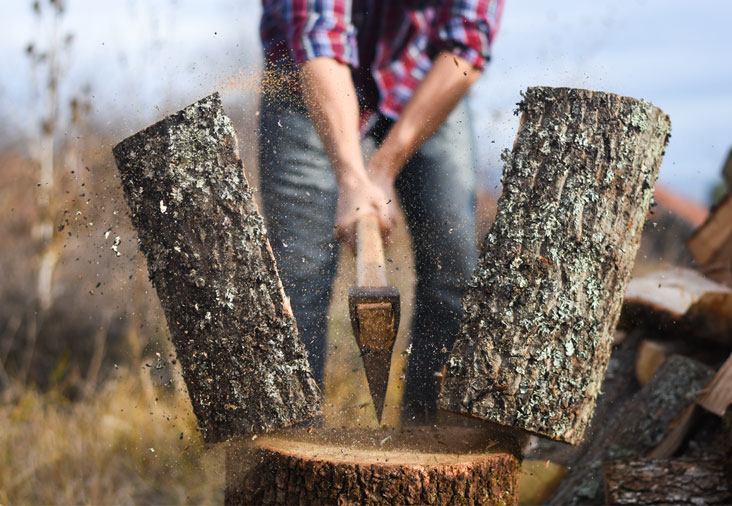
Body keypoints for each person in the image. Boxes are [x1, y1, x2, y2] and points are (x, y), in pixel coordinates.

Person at [258, 0, 504, 424]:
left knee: (456, 270)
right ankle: (286, 452)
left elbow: (468, 43)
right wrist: (353, 179)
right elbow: (319, 36)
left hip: (424, 81)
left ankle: (430, 443)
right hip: (306, 81)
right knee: (295, 280)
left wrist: (385, 165)